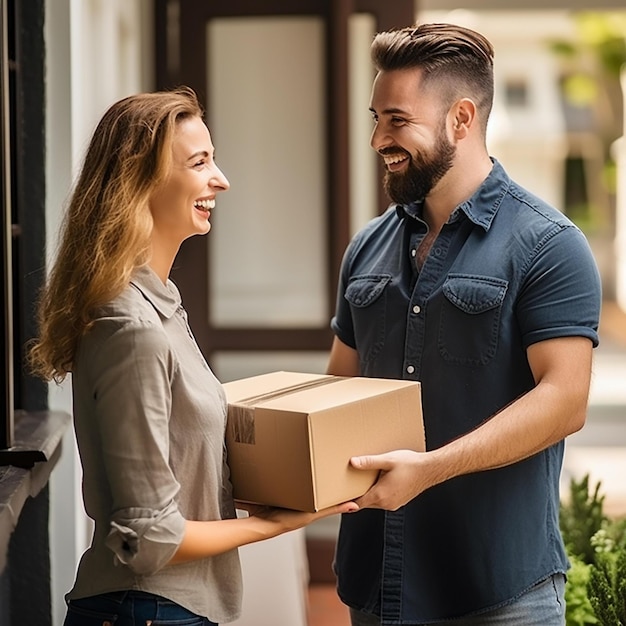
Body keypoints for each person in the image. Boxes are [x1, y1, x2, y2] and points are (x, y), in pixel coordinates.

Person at [28, 86, 357, 626]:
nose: (220, 179)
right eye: (199, 162)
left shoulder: (161, 307)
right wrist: (280, 523)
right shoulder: (132, 327)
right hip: (147, 608)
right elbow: (150, 536)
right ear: (142, 180)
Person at [327, 22, 602, 626]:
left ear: (462, 118)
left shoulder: (549, 245)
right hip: (378, 585)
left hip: (500, 594)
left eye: (397, 120)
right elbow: (338, 391)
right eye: (375, 118)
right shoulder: (366, 248)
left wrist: (429, 470)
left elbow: (565, 400)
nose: (378, 138)